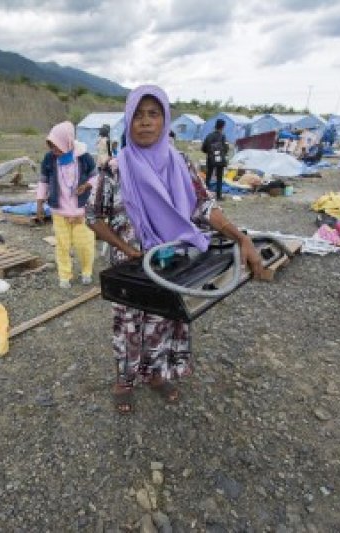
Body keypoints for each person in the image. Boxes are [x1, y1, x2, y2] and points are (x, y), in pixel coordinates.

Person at [86, 85, 268, 414]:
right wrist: (127, 249)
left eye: (153, 114)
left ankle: (156, 374)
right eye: (138, 115)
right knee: (129, 323)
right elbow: (93, 217)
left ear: (165, 121)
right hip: (131, 266)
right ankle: (124, 380)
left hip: (173, 263)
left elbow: (203, 206)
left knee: (165, 318)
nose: (145, 122)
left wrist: (241, 238)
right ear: (127, 121)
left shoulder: (180, 162)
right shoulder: (113, 168)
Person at [36, 121, 97, 288]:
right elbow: (43, 181)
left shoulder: (84, 157)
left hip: (81, 210)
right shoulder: (49, 159)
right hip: (60, 210)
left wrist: (86, 186)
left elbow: (95, 177)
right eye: (52, 147)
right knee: (62, 245)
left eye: (57, 146)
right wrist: (40, 204)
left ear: (67, 142)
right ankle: (65, 275)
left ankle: (86, 271)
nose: (54, 151)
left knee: (84, 244)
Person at [201, 119, 229, 200]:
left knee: (208, 177)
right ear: (223, 127)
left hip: (210, 159)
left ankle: (205, 195)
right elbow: (226, 149)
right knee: (219, 178)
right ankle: (219, 196)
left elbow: (203, 148)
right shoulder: (223, 136)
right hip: (220, 160)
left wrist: (210, 153)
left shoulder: (209, 136)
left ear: (215, 125)